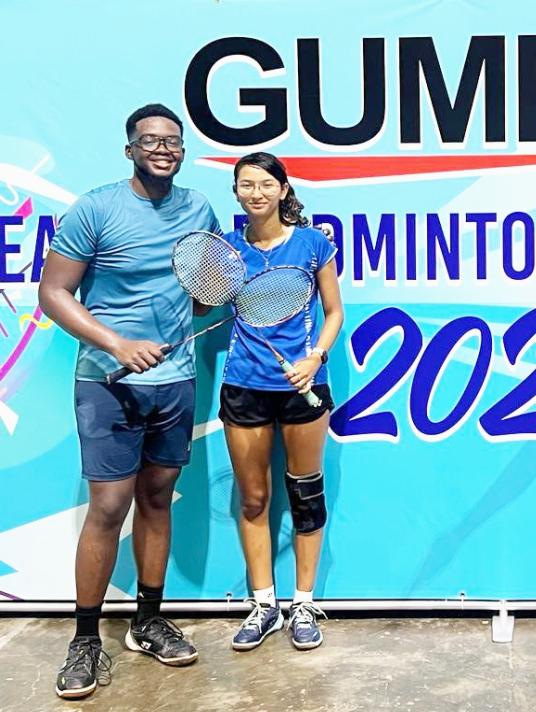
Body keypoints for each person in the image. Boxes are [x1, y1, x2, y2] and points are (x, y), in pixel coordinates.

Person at [39, 104, 221, 699]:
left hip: (176, 380)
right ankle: (85, 640)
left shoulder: (199, 209)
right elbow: (53, 293)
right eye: (151, 141)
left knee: (158, 498)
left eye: (173, 142)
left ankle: (147, 621)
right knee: (110, 505)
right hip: (106, 382)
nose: (163, 149)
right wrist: (117, 343)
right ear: (130, 150)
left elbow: (206, 289)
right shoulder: (95, 209)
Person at [218, 152, 342, 652]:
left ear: (284, 189)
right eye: (247, 184)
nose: (257, 193)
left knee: (305, 496)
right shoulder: (226, 249)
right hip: (244, 385)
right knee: (253, 499)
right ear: (236, 192)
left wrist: (315, 358)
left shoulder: (313, 244)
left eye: (267, 184)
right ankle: (264, 605)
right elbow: (206, 304)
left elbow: (334, 312)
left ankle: (303, 604)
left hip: (302, 388)